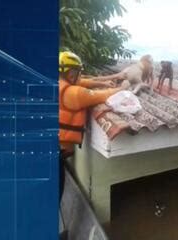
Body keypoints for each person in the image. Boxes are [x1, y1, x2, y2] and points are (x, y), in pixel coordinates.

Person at [58, 50, 127, 204]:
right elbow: (104, 95)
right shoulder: (73, 94)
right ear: (70, 74)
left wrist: (101, 83)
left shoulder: (59, 83)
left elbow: (85, 82)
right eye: (78, 72)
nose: (80, 76)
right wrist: (124, 87)